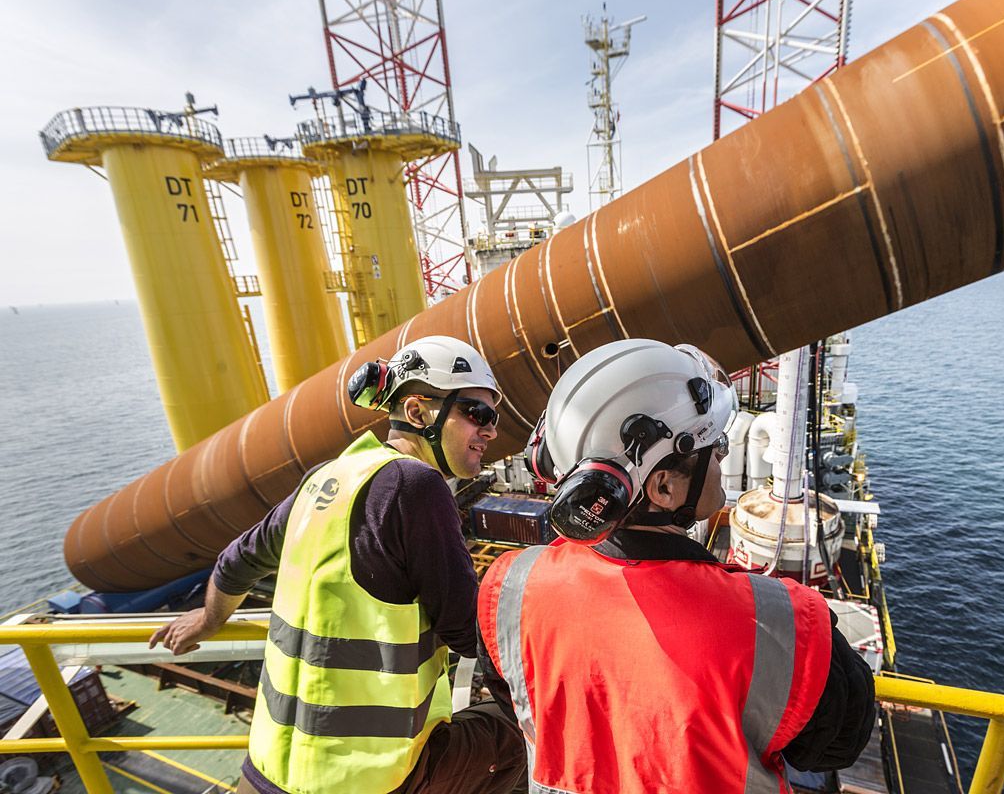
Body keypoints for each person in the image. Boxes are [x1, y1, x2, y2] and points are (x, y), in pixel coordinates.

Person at [477, 339, 875, 793]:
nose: (723, 456)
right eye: (715, 446)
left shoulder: (510, 586)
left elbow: (515, 700)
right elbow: (837, 744)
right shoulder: (780, 620)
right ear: (664, 488)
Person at [150, 335, 527, 794]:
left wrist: (209, 620)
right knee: (517, 730)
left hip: (265, 772)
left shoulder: (325, 477)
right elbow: (470, 633)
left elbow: (238, 560)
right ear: (416, 412)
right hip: (369, 780)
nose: (491, 431)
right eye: (478, 413)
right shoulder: (416, 485)